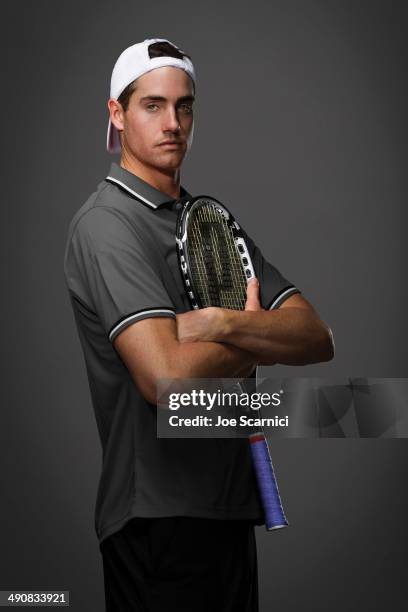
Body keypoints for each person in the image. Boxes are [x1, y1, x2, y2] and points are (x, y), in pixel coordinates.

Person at [63, 37, 334, 612]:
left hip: (230, 511)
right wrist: (254, 332)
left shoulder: (209, 223)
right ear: (117, 113)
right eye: (153, 105)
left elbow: (315, 337)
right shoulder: (106, 226)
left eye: (184, 106)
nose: (173, 122)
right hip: (157, 521)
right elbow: (167, 385)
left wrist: (212, 322)